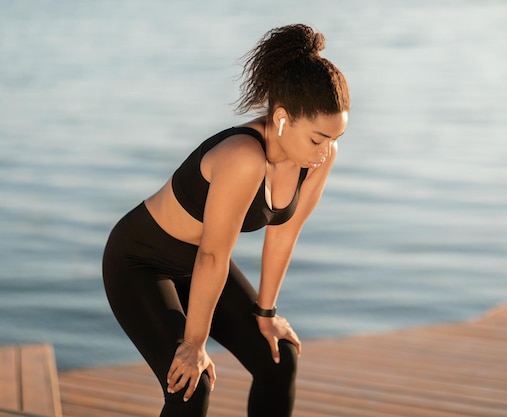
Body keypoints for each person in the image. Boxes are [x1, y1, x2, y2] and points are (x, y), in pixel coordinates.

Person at [102, 23, 350, 417]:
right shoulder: (242, 158)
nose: (325, 151)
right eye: (318, 139)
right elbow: (214, 256)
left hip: (198, 263)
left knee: (278, 357)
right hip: (140, 262)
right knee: (190, 383)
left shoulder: (318, 159)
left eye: (335, 138)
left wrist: (265, 314)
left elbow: (285, 233)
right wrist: (194, 343)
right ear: (283, 119)